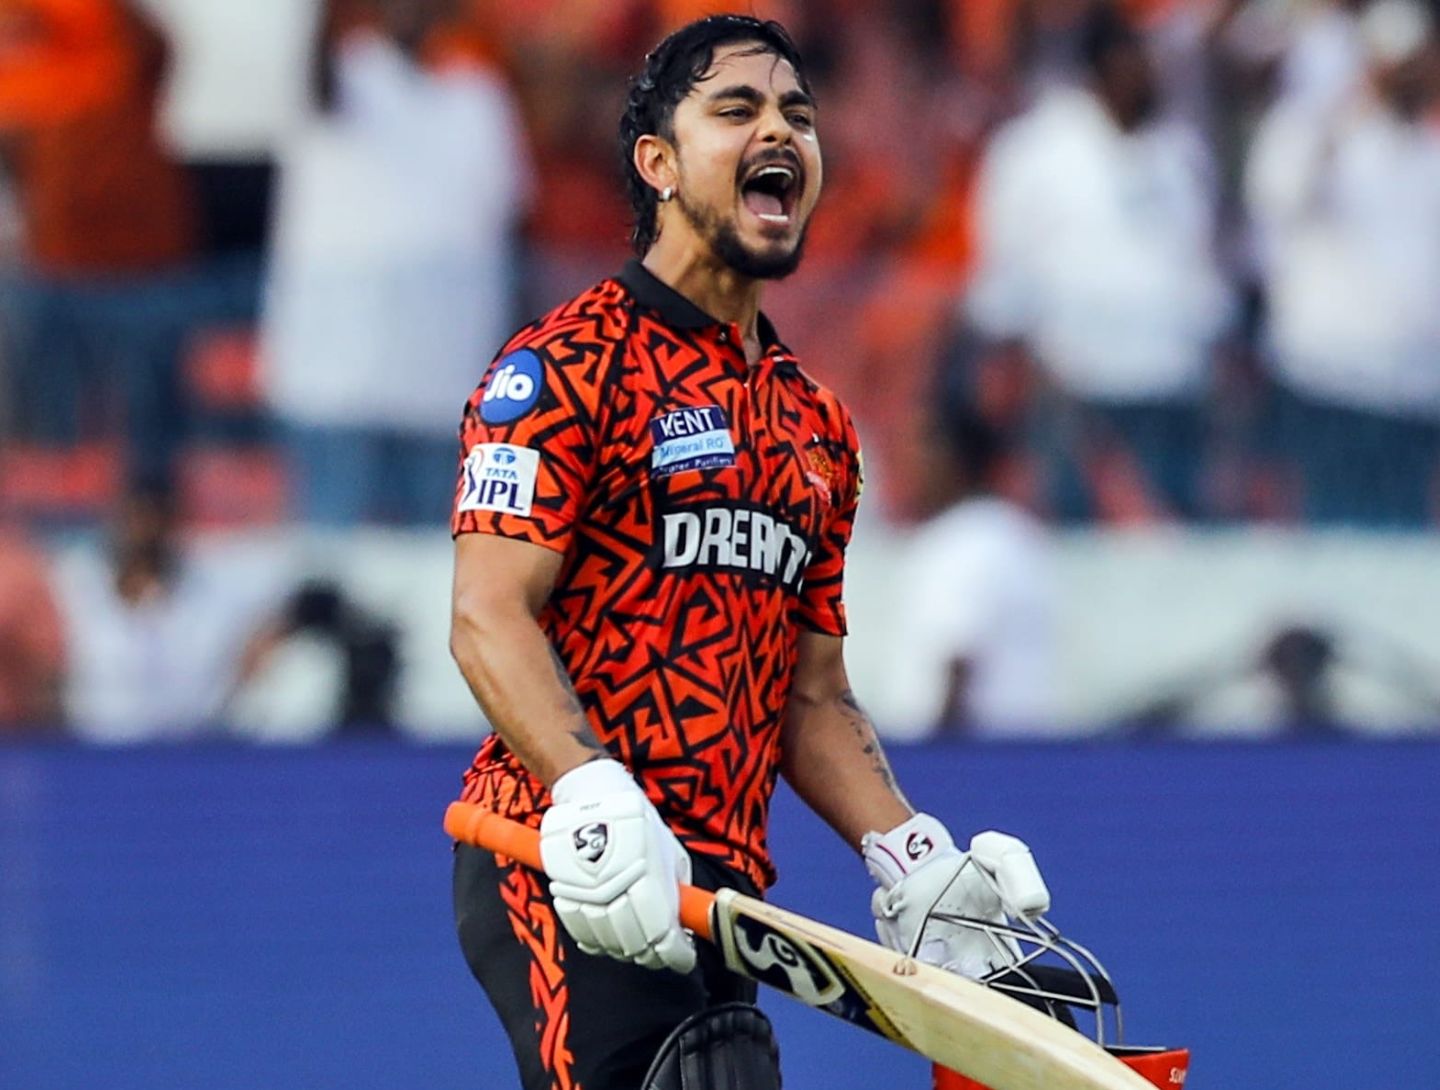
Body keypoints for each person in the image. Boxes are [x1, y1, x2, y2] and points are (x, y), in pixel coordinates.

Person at [447, 16, 1051, 1090]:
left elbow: (810, 695)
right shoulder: (563, 365)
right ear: (658, 163)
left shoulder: (817, 426)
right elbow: (487, 613)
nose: (780, 131)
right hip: (560, 855)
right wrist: (589, 789)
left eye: (798, 116)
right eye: (737, 109)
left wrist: (911, 854)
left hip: (721, 894)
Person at [879, 407, 1057, 740]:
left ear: (951, 459)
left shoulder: (965, 541)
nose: (912, 464)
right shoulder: (1011, 532)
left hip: (967, 752)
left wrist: (936, 760)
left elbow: (957, 660)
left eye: (923, 449)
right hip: (1015, 749)